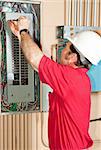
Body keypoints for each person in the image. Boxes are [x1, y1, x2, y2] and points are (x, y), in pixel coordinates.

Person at [8, 16, 101, 150]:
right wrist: (20, 37)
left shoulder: (71, 79)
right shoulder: (76, 78)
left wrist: (23, 30)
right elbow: (38, 66)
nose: (61, 49)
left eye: (65, 46)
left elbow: (36, 59)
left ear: (73, 57)